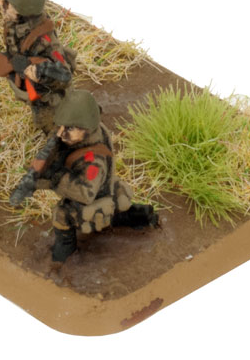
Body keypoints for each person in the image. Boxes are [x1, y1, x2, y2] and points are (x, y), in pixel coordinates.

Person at [9, 90, 159, 262]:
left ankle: (65, 251)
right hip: (101, 186)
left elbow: (85, 193)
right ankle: (137, 215)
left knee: (63, 214)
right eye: (61, 126)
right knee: (117, 211)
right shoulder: (87, 132)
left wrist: (54, 178)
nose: (61, 133)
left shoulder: (93, 159)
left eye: (69, 128)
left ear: (86, 128)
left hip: (95, 195)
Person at [0, 0, 75, 133]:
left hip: (48, 96)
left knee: (49, 125)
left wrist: (37, 70)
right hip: (29, 82)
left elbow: (64, 76)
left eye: (6, 3)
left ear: (19, 10)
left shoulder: (45, 41)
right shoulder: (17, 23)